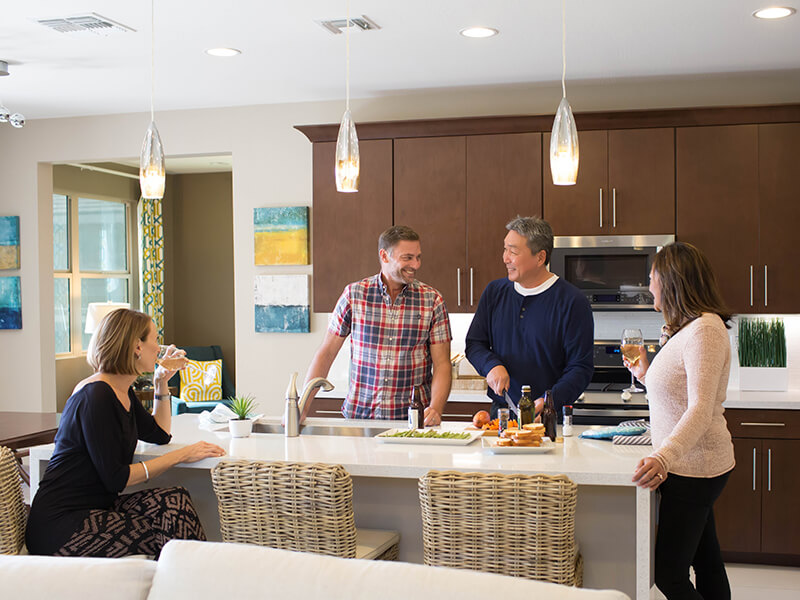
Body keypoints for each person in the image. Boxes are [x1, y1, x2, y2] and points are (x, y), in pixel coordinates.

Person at [26, 309, 226, 558]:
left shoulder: (122, 391)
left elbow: (160, 434)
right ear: (137, 346)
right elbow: (117, 478)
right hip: (62, 526)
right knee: (170, 533)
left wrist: (160, 382)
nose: (159, 348)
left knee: (174, 500)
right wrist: (182, 455)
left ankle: (191, 586)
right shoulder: (96, 396)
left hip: (95, 508)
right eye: (155, 339)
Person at [624, 242, 735, 600]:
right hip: (689, 465)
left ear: (671, 281)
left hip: (694, 467)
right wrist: (645, 374)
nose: (649, 284)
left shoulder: (705, 330)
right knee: (706, 561)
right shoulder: (689, 328)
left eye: (652, 277)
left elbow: (700, 407)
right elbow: (678, 391)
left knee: (668, 574)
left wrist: (662, 457)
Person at [302, 225, 452, 425]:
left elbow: (442, 364)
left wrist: (435, 408)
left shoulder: (432, 300)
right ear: (384, 255)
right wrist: (301, 407)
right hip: (359, 420)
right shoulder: (354, 295)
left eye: (418, 257)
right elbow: (327, 353)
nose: (415, 264)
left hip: (411, 421)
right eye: (407, 257)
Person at [465, 216, 593, 418]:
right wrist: (491, 366)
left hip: (550, 417)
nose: (505, 258)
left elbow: (580, 368)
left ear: (540, 258)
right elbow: (474, 344)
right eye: (505, 249)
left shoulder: (572, 301)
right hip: (502, 415)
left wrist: (549, 401)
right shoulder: (495, 292)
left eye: (513, 252)